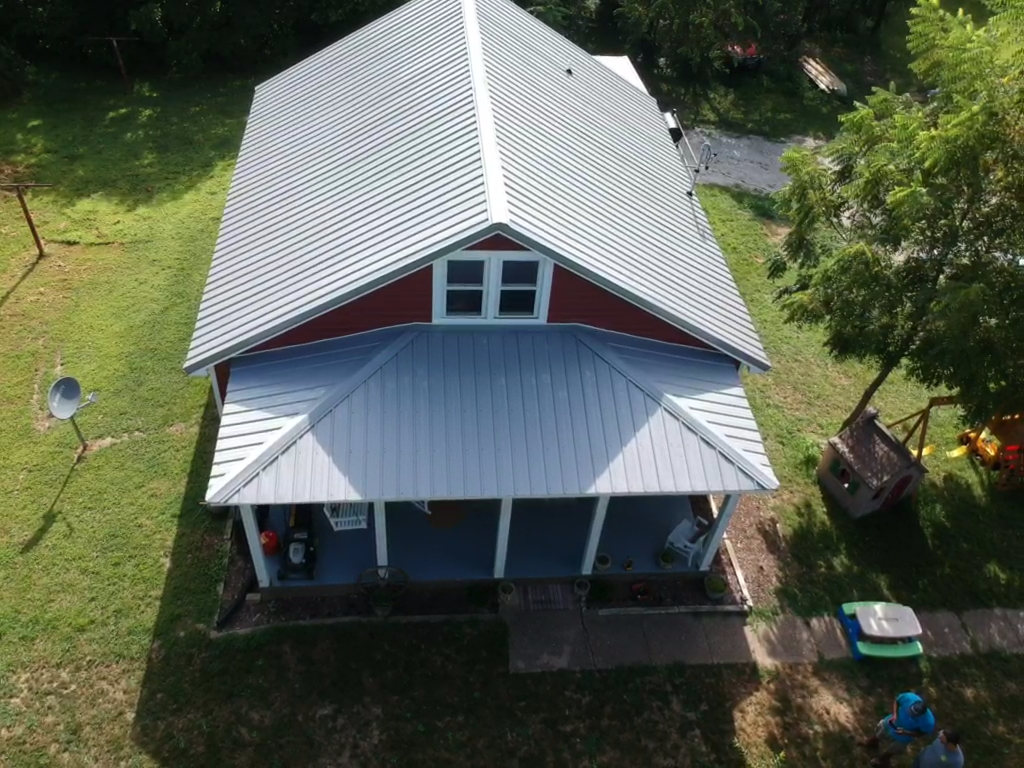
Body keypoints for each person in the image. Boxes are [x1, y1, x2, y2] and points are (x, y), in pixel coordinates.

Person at [859, 691, 936, 767]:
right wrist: (895, 714)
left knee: (893, 749)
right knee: (880, 732)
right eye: (911, 711)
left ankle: (882, 760)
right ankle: (871, 743)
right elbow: (897, 700)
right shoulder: (909, 697)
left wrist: (906, 732)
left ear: (922, 714)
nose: (911, 714)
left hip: (904, 735)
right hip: (892, 722)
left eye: (914, 715)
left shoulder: (928, 722)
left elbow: (921, 733)